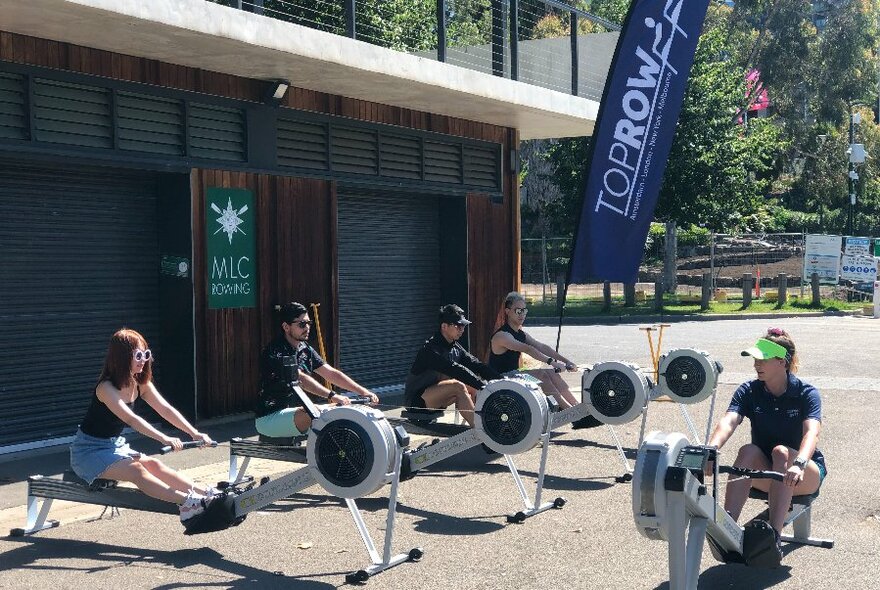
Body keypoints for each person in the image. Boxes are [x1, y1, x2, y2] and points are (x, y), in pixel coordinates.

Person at [70, 329, 217, 523]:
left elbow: (164, 409)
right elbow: (132, 419)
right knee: (136, 471)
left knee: (154, 464)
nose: (143, 360)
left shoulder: (139, 382)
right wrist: (165, 438)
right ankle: (189, 502)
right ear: (122, 358)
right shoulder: (106, 388)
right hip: (88, 450)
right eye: (138, 355)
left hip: (114, 445)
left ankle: (207, 495)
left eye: (146, 354)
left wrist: (194, 433)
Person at [705, 328, 826, 559]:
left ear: (782, 361)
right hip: (769, 474)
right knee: (748, 451)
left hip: (803, 474)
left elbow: (812, 433)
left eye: (763, 359)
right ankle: (728, 529)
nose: (756, 364)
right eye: (755, 359)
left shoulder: (806, 393)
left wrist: (798, 463)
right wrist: (711, 449)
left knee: (781, 452)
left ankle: (774, 539)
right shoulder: (749, 391)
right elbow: (729, 421)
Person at [255, 302, 378, 438]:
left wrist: (364, 392)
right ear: (286, 327)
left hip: (296, 412)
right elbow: (301, 379)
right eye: (302, 324)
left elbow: (331, 373)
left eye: (309, 323)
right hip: (269, 418)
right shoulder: (276, 351)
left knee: (345, 409)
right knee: (319, 413)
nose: (307, 328)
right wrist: (333, 396)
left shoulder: (304, 349)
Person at [404, 304, 501, 427]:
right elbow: (455, 369)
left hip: (436, 397)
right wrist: (483, 386)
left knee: (473, 386)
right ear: (444, 326)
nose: (462, 330)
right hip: (417, 401)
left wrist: (500, 380)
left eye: (463, 326)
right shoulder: (430, 350)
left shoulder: (455, 347)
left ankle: (491, 421)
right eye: (458, 326)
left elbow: (477, 365)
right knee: (458, 385)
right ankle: (481, 429)